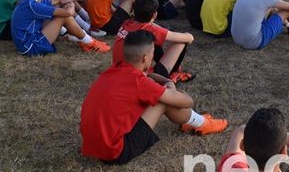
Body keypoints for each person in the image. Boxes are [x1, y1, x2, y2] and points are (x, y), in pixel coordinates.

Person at [80, 30, 228, 165]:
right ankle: (202, 123)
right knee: (162, 101)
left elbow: (146, 76)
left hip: (97, 147)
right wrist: (171, 87)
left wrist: (166, 81)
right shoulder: (139, 83)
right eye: (152, 53)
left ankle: (191, 121)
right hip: (115, 152)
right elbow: (188, 101)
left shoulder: (114, 70)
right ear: (146, 57)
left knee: (159, 95)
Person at [11, 0, 110, 56]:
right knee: (63, 17)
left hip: (25, 41)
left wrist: (64, 2)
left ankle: (82, 38)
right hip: (30, 46)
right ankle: (89, 42)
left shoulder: (30, 0)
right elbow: (68, 13)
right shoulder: (34, 5)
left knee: (58, 8)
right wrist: (70, 5)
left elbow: (55, 2)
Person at [112, 0, 195, 82]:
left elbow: (151, 27)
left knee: (153, 41)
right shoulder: (151, 30)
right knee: (181, 42)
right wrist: (187, 35)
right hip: (140, 79)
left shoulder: (127, 22)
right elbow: (190, 38)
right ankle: (173, 73)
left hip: (118, 72)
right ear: (154, 14)